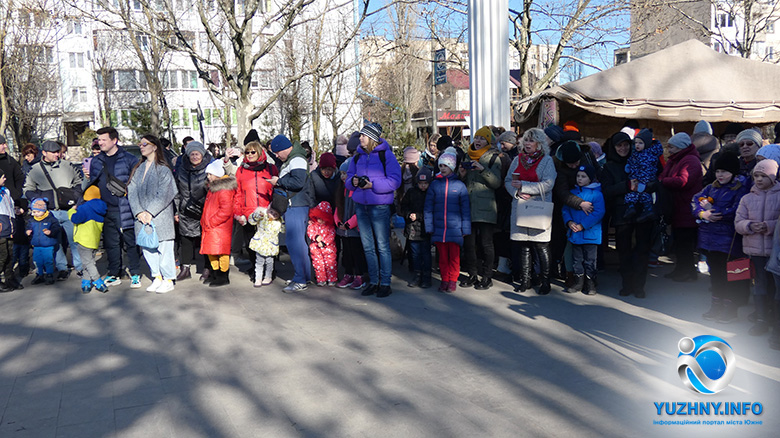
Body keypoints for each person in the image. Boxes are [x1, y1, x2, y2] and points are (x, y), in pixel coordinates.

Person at [346, 123, 402, 298]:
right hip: (361, 206)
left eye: (363, 135)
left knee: (382, 246)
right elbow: (348, 180)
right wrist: (353, 182)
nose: (360, 138)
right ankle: (373, 281)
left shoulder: (387, 156)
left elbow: (395, 181)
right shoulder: (357, 158)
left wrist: (373, 185)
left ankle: (385, 282)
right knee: (368, 246)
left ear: (372, 138)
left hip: (379, 206)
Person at [601, 131, 660, 298]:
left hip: (643, 211)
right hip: (622, 214)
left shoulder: (642, 158)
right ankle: (627, 284)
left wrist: (645, 187)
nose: (623, 148)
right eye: (619, 145)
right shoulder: (608, 166)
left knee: (642, 250)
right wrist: (626, 186)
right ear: (614, 147)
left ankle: (640, 285)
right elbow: (606, 190)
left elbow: (655, 180)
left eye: (626, 144)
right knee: (624, 251)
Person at [693, 152, 750, 322]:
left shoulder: (740, 187)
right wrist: (703, 214)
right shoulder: (711, 187)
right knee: (716, 274)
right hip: (710, 240)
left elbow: (737, 209)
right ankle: (716, 305)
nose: (720, 175)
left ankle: (730, 308)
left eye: (724, 172)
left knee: (733, 276)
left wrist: (715, 210)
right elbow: (695, 200)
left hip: (730, 241)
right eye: (718, 171)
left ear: (733, 172)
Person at [505, 128, 557, 294]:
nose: (527, 144)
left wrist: (526, 187)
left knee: (541, 246)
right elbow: (508, 180)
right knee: (524, 246)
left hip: (538, 208)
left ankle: (545, 282)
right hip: (520, 206)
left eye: (531, 141)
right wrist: (517, 192)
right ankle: (525, 281)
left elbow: (549, 183)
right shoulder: (518, 159)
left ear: (539, 144)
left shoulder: (547, 160)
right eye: (525, 140)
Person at [23, 140, 83, 281]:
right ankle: (62, 268)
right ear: (44, 153)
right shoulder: (35, 170)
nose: (57, 154)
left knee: (75, 240)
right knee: (56, 243)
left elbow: (78, 184)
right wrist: (38, 200)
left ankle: (80, 267)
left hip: (68, 211)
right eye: (54, 152)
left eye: (58, 152)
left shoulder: (68, 166)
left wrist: (75, 198)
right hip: (50, 212)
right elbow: (27, 189)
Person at [89, 127, 141, 287]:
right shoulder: (97, 161)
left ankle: (135, 273)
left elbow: (137, 183)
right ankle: (114, 273)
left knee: (130, 242)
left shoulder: (129, 159)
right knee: (111, 244)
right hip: (105, 209)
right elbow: (94, 183)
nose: (100, 143)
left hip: (125, 207)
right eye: (99, 139)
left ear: (114, 140)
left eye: (104, 139)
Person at [127, 135, 178, 294]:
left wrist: (150, 212)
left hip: (160, 216)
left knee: (164, 248)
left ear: (155, 146)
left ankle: (168, 278)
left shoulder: (163, 169)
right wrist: (139, 211)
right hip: (142, 216)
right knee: (148, 248)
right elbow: (131, 190)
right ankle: (157, 277)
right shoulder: (138, 168)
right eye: (140, 144)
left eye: (144, 144)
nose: (141, 147)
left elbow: (165, 193)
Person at [736, 159, 780, 335]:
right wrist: (749, 225)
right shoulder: (747, 198)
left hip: (774, 251)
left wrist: (768, 226)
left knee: (775, 287)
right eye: (756, 176)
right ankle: (761, 319)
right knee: (760, 285)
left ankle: (774, 318)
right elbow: (738, 222)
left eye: (764, 176)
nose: (759, 179)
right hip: (755, 251)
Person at [266, 135, 315, 293]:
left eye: (277, 153)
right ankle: (304, 276)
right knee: (299, 244)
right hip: (298, 204)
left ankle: (300, 279)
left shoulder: (296, 160)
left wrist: (278, 181)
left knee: (294, 243)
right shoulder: (296, 158)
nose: (277, 156)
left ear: (283, 148)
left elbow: (298, 182)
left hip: (296, 204)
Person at [551, 139, 600, 283]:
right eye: (571, 164)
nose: (574, 166)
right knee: (568, 243)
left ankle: (590, 277)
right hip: (571, 207)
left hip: (588, 204)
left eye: (576, 162)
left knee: (590, 249)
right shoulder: (558, 165)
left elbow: (597, 174)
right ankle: (570, 274)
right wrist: (580, 204)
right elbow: (563, 193)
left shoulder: (586, 156)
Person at [460, 126, 503, 290]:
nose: (477, 141)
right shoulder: (467, 155)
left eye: (482, 138)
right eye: (476, 138)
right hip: (468, 205)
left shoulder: (493, 158)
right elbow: (462, 182)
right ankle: (472, 274)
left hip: (486, 207)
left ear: (488, 141)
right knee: (469, 244)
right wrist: (462, 175)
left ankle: (486, 276)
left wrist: (483, 169)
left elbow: (497, 183)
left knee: (486, 243)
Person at [425, 148, 470, 293]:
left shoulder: (459, 186)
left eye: (446, 166)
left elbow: (465, 210)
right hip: (439, 228)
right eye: (441, 166)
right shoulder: (434, 184)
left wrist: (465, 228)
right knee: (442, 257)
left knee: (454, 257)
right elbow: (428, 207)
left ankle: (453, 279)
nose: (443, 168)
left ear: (452, 167)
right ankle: (444, 279)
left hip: (455, 229)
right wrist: (429, 225)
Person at [660, 132, 703, 282]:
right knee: (679, 243)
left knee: (685, 244)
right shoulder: (675, 160)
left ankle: (688, 272)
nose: (669, 150)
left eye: (671, 146)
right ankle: (681, 269)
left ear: (680, 146)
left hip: (686, 208)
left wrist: (664, 182)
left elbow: (684, 181)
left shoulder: (690, 160)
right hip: (678, 207)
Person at [233, 140, 277, 281]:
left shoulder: (271, 169)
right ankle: (255, 267)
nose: (250, 155)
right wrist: (238, 213)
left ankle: (270, 270)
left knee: (270, 242)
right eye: (247, 152)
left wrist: (276, 209)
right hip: (249, 212)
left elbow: (277, 190)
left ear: (259, 153)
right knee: (252, 243)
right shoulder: (241, 170)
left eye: (253, 152)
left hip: (267, 213)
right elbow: (237, 193)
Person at [561, 165, 605, 294]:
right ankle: (578, 281)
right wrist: (569, 222)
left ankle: (590, 282)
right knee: (577, 259)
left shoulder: (597, 194)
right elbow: (566, 209)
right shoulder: (573, 193)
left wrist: (582, 225)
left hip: (590, 234)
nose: (580, 179)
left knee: (590, 260)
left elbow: (598, 213)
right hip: (575, 233)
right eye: (578, 176)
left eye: (583, 176)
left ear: (590, 178)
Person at [174, 141, 213, 282]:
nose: (195, 156)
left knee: (205, 239)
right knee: (186, 239)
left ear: (202, 154)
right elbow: (177, 191)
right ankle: (185, 269)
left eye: (197, 153)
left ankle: (208, 268)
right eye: (192, 153)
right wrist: (177, 210)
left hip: (205, 210)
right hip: (186, 209)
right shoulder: (182, 169)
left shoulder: (210, 168)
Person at [200, 160, 237, 287]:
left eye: (211, 174)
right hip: (211, 226)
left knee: (221, 252)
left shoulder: (224, 189)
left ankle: (223, 275)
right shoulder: (212, 188)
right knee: (211, 251)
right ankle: (215, 273)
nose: (208, 177)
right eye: (208, 174)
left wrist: (211, 221)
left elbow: (226, 210)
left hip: (219, 227)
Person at [334, 159, 367, 290]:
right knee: (346, 253)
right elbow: (338, 207)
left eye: (345, 174)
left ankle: (359, 275)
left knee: (357, 253)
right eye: (341, 174)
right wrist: (338, 222)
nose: (343, 177)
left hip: (354, 230)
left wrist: (349, 224)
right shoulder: (341, 190)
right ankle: (348, 274)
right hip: (343, 229)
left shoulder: (358, 191)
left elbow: (360, 211)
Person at [69, 184, 108, 294]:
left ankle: (98, 281)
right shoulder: (102, 207)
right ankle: (85, 283)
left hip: (83, 240)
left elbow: (75, 219)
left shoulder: (84, 208)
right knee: (88, 262)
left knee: (89, 263)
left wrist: (71, 211)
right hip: (94, 240)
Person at [400, 166, 433, 289]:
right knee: (415, 254)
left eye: (425, 183)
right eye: (421, 183)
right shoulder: (411, 192)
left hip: (426, 228)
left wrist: (419, 216)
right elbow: (403, 207)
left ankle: (426, 276)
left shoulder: (431, 194)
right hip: (412, 228)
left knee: (426, 253)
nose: (423, 186)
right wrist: (408, 215)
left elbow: (433, 211)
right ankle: (417, 274)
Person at [623, 129, 663, 222]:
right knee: (632, 194)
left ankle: (648, 210)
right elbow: (632, 161)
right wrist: (629, 166)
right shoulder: (635, 154)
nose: (637, 145)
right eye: (636, 142)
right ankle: (631, 207)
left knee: (644, 195)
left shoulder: (650, 156)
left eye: (640, 143)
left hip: (644, 180)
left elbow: (649, 170)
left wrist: (644, 181)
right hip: (635, 179)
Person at [26, 198, 61, 285]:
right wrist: (28, 231)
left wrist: (51, 232)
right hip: (37, 245)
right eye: (34, 212)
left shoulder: (50, 219)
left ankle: (49, 275)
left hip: (47, 244)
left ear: (44, 210)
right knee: (37, 261)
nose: (36, 214)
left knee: (48, 260)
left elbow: (57, 228)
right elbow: (28, 227)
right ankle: (39, 274)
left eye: (38, 212)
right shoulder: (32, 220)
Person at [247, 207, 282, 287]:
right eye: (271, 212)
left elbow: (283, 230)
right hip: (260, 244)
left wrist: (283, 220)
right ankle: (258, 278)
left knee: (269, 262)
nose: (272, 215)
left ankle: (268, 277)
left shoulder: (279, 222)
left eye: (275, 214)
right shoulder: (263, 216)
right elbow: (251, 221)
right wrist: (257, 215)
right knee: (259, 262)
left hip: (270, 246)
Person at [307, 201, 338, 286]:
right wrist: (315, 237)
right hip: (316, 249)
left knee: (330, 264)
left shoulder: (330, 226)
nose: (320, 220)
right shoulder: (313, 225)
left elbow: (332, 235)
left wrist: (324, 243)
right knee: (318, 264)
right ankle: (321, 279)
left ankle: (332, 279)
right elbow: (310, 232)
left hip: (328, 249)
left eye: (322, 218)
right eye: (318, 218)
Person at [0, 173, 18, 292]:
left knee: (10, 255)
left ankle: (9, 278)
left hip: (9, 226)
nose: (5, 179)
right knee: (2, 256)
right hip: (1, 228)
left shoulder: (5, 190)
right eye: (2, 177)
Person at [0, 134, 24, 202]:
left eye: (5, 143)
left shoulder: (10, 160)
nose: (5, 146)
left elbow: (20, 178)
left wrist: (16, 194)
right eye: (2, 144)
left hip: (11, 201)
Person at [12, 199, 30, 282]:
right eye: (15, 209)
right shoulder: (13, 219)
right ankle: (10, 272)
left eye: (19, 208)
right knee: (13, 257)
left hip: (24, 242)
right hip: (14, 242)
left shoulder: (26, 218)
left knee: (23, 258)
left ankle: (23, 271)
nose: (17, 211)